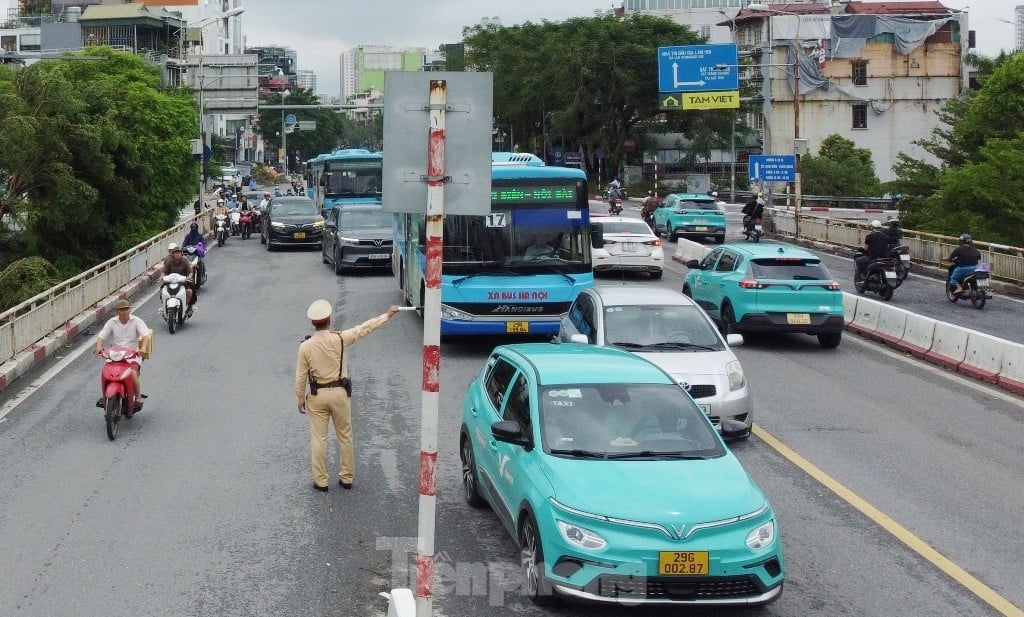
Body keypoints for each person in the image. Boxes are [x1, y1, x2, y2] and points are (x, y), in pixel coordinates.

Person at [294, 300, 401, 492]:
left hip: (317, 395)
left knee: (319, 438)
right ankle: (346, 477)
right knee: (345, 436)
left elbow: (301, 376)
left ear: (312, 323)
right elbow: (363, 329)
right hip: (340, 393)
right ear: (329, 319)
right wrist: (387, 315)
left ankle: (321, 481)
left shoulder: (306, 347)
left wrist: (300, 397)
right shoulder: (340, 338)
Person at [93, 298, 149, 407]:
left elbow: (146, 336)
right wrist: (99, 347)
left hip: (132, 355)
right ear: (117, 312)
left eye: (126, 309)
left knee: (132, 374)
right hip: (115, 355)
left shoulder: (136, 321)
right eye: (121, 310)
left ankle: (138, 397)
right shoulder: (112, 322)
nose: (124, 312)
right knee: (105, 373)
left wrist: (143, 348)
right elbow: (101, 337)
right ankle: (105, 396)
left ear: (130, 310)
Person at [159, 242, 197, 310]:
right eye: (175, 253)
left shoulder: (185, 261)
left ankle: (189, 305)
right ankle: (164, 305)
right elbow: (164, 271)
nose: (177, 254)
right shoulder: (169, 261)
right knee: (162, 291)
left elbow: (190, 272)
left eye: (179, 253)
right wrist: (161, 277)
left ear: (181, 254)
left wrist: (189, 277)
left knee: (190, 291)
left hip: (183, 281)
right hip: (171, 281)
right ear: (173, 254)